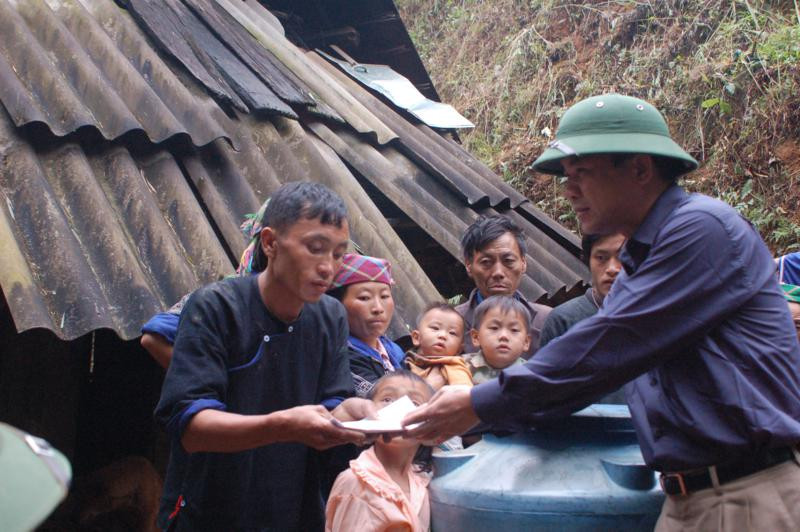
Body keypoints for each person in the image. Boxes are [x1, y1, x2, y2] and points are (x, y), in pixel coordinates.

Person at [404, 94, 800, 531]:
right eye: (566, 177)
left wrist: (481, 402)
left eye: (582, 174)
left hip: (748, 494)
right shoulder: (638, 267)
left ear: (640, 169)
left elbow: (610, 344)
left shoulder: (701, 230)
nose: (569, 190)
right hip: (689, 496)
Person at [154, 182, 376, 531]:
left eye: (338, 255)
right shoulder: (217, 306)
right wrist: (282, 426)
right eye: (315, 249)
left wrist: (354, 414)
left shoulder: (330, 315)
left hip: (291, 508)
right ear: (270, 243)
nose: (328, 268)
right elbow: (194, 428)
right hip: (210, 509)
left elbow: (334, 401)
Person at [140, 199, 271, 369]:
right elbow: (155, 336)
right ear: (269, 244)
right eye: (311, 246)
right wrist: (206, 382)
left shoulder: (308, 303)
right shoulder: (228, 297)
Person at [325, 371, 433, 532]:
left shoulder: (422, 481)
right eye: (387, 400)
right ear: (367, 413)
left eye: (415, 403)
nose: (399, 410)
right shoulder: (356, 484)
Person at [456, 215, 551, 358]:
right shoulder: (450, 325)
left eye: (508, 261)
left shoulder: (547, 320)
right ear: (469, 265)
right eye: (486, 262)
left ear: (523, 263)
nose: (498, 272)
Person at [327, 253, 405, 397]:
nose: (378, 308)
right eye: (364, 298)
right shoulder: (341, 355)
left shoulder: (394, 351)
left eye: (384, 296)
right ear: (337, 304)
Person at [539, 232, 625, 347]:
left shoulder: (651, 314)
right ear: (588, 260)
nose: (612, 269)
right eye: (601, 258)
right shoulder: (563, 320)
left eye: (624, 256)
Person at [464, 295, 531, 385]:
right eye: (494, 328)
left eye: (514, 330)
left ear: (526, 342)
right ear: (476, 337)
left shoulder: (532, 375)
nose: (504, 336)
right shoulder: (461, 367)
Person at [405, 303, 473, 390]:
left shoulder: (455, 368)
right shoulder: (403, 361)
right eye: (435, 328)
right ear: (416, 337)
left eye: (452, 333)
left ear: (459, 349)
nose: (443, 335)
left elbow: (463, 394)